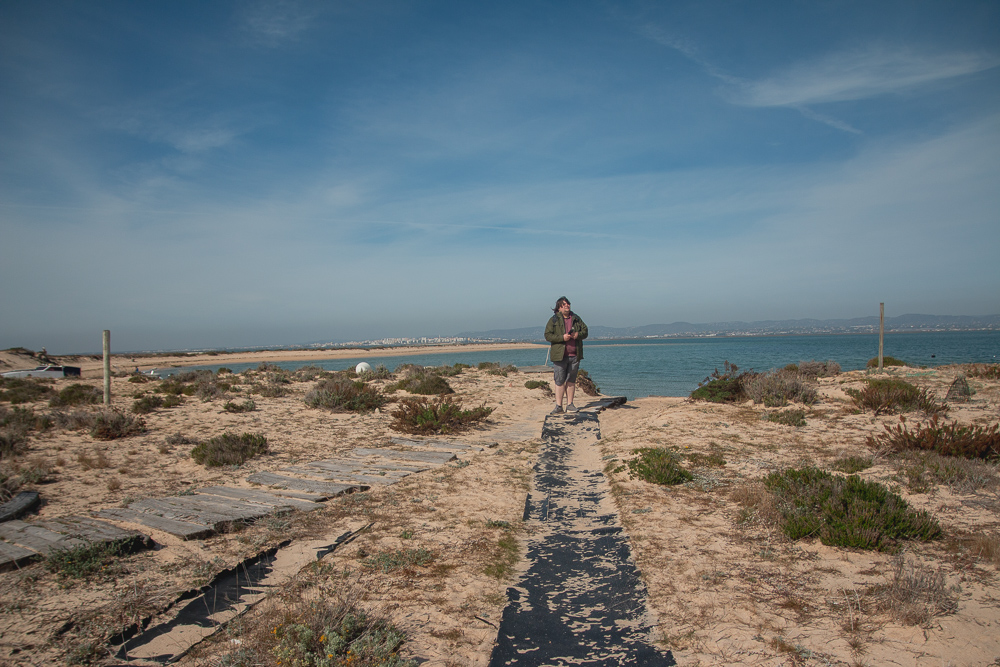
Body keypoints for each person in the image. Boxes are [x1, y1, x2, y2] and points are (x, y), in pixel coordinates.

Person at [544, 296, 588, 415]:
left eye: (568, 304)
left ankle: (570, 404)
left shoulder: (576, 318)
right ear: (559, 308)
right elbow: (547, 335)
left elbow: (586, 331)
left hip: (574, 355)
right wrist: (562, 338)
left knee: (571, 381)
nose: (567, 306)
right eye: (564, 304)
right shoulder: (553, 320)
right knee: (559, 381)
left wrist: (577, 335)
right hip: (559, 355)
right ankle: (559, 406)